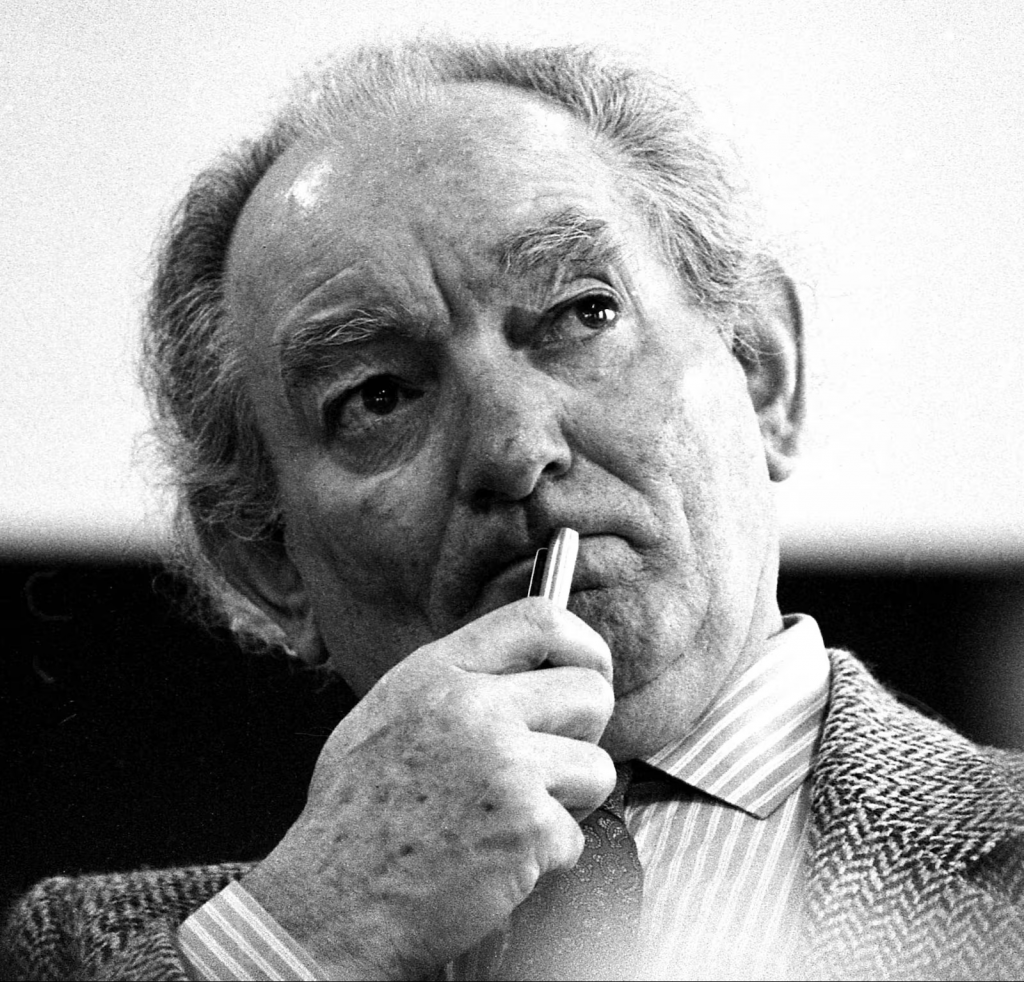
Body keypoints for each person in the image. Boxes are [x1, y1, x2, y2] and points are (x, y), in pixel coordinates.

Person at [4, 38, 1024, 982]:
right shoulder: (91, 956)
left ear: (762, 371)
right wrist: (306, 937)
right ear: (267, 560)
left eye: (584, 313)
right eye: (378, 395)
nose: (513, 448)